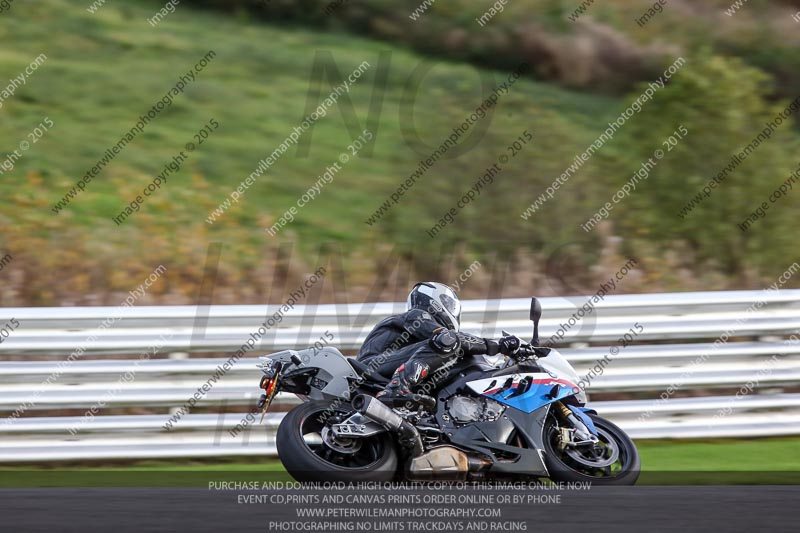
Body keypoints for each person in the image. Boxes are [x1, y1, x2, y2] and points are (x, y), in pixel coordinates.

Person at [356, 282, 520, 405]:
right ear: (435, 301)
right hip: (372, 366)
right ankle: (396, 388)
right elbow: (448, 337)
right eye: (449, 304)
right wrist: (495, 346)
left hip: (381, 369)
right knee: (448, 341)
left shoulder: (417, 333)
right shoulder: (416, 315)